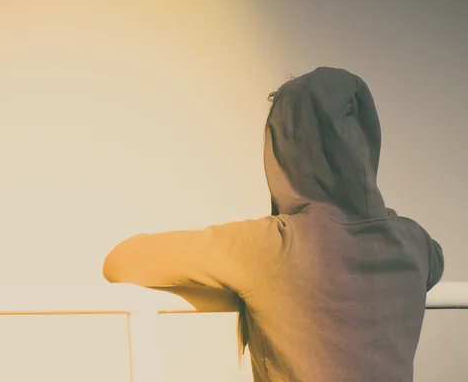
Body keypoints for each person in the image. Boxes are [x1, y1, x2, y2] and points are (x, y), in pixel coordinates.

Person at [102, 67, 444, 381]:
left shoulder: (275, 247)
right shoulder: (415, 244)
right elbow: (434, 264)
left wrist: (243, 284)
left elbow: (119, 261)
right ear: (368, 145)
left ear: (285, 149)